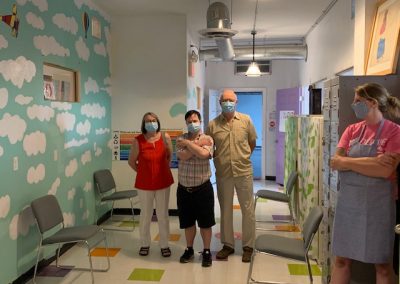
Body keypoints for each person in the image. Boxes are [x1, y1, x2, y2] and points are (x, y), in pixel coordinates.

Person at [330, 83, 400, 284]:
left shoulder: (394, 132)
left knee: (383, 265)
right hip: (349, 206)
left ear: (373, 103)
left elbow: (385, 170)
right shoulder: (351, 130)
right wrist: (373, 161)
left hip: (379, 208)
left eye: (357, 101)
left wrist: (348, 162)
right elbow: (335, 162)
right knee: (341, 260)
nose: (353, 105)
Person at [206, 89, 257, 263]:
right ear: (219, 103)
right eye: (224, 100)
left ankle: (248, 247)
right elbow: (209, 148)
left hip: (243, 172)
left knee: (248, 210)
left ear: (236, 102)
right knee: (225, 210)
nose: (228, 103)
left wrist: (242, 158)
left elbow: (252, 142)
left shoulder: (246, 120)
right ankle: (227, 245)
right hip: (223, 174)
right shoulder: (212, 125)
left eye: (231, 100)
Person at [128, 112, 174, 257]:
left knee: (163, 215)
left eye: (154, 120)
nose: (151, 123)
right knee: (145, 215)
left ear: (158, 122)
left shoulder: (165, 137)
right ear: (143, 124)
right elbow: (131, 161)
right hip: (144, 184)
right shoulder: (138, 141)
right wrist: (143, 172)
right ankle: (144, 244)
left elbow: (169, 156)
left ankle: (164, 244)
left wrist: (160, 172)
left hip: (163, 182)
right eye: (148, 121)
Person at [176, 110, 215, 267]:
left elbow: (204, 155)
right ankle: (189, 249)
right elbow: (183, 156)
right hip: (184, 189)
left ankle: (206, 251)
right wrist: (195, 145)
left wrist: (189, 146)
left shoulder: (209, 138)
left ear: (200, 121)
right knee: (188, 222)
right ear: (186, 123)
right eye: (189, 121)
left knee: (205, 223)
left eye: (195, 120)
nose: (192, 123)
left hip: (202, 188)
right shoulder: (180, 139)